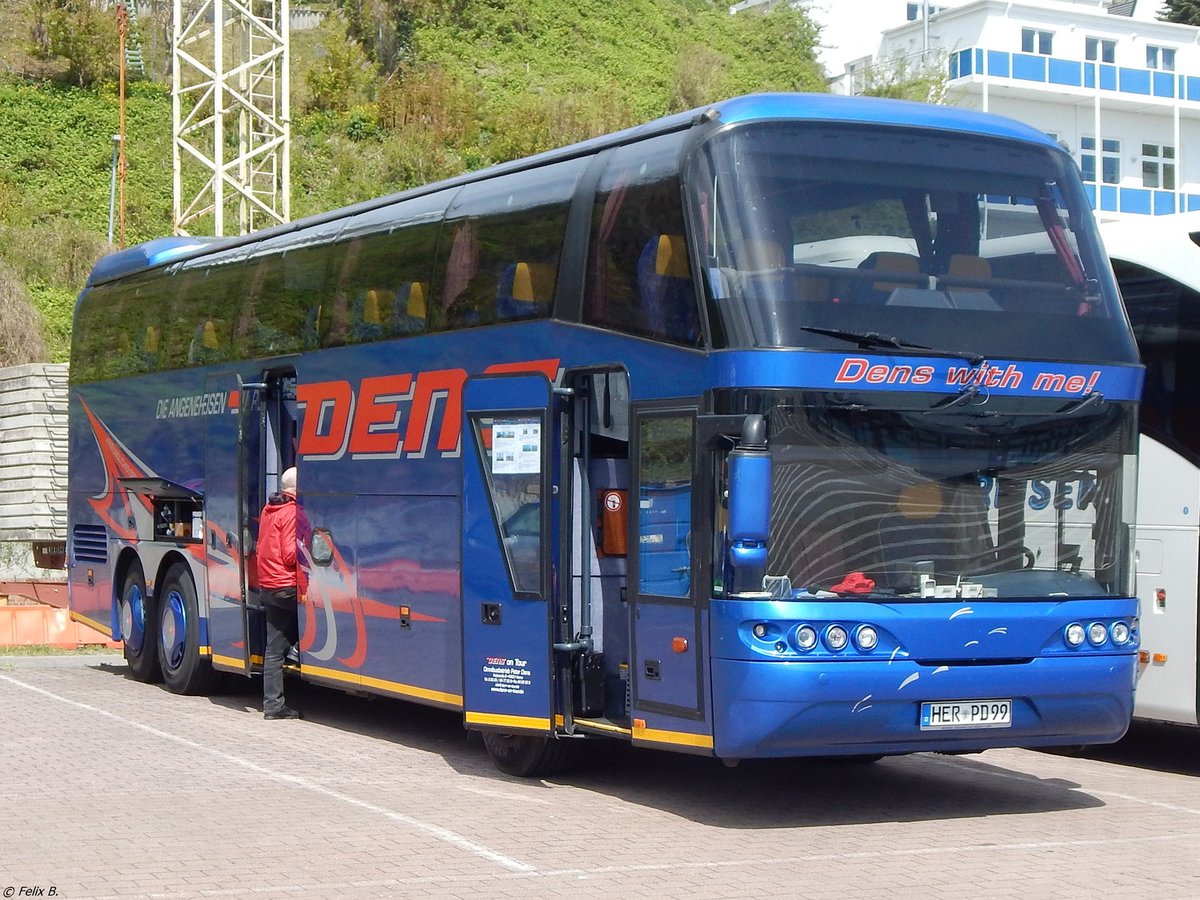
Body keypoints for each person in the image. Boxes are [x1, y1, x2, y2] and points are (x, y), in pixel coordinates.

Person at [257, 466, 302, 720]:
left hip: (268, 586)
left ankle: (273, 706)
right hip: (286, 586)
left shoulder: (269, 509)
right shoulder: (292, 512)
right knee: (323, 610)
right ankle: (298, 650)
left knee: (273, 650)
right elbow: (289, 554)